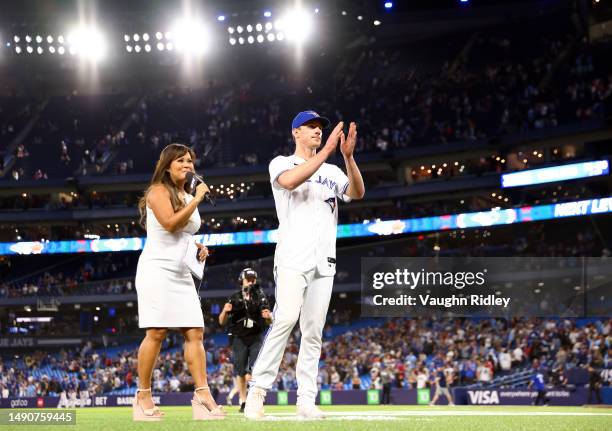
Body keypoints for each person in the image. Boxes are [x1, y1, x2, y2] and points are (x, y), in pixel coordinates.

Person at [244, 111, 365, 419]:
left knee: (313, 331)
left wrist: (348, 159)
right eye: (310, 127)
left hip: (325, 259)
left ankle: (306, 401)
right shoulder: (282, 162)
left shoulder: (334, 171)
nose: (317, 131)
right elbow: (290, 181)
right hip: (292, 256)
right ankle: (257, 392)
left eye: (320, 128)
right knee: (285, 318)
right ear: (295, 132)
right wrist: (325, 153)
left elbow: (357, 193)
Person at [134, 143, 225, 421]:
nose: (188, 165)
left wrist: (197, 246)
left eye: (190, 161)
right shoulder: (157, 191)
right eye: (181, 161)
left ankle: (202, 393)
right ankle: (143, 395)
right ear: (167, 165)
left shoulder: (186, 192)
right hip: (157, 270)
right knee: (157, 332)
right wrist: (197, 199)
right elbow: (170, 224)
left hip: (181, 271)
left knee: (195, 331)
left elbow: (182, 233)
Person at [218, 268, 273, 412]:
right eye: (248, 278)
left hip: (256, 336)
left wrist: (269, 317)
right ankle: (243, 401)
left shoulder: (260, 297)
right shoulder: (234, 297)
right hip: (239, 337)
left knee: (256, 370)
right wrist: (224, 310)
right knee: (241, 371)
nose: (251, 281)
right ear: (241, 280)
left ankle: (255, 399)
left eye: (253, 279)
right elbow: (221, 321)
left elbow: (268, 320)